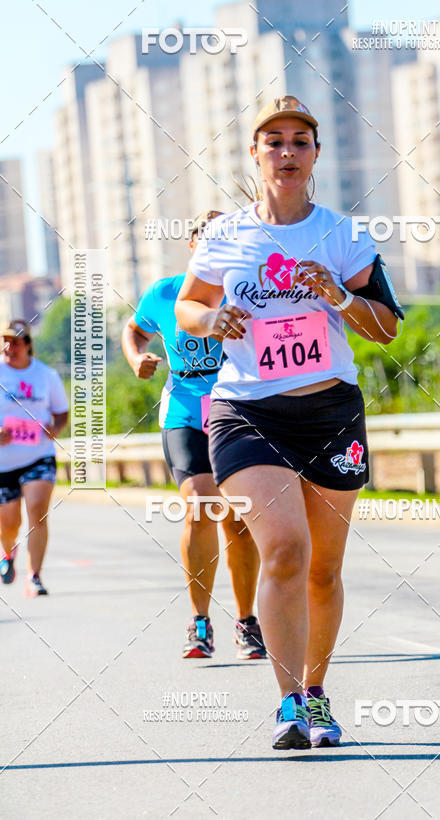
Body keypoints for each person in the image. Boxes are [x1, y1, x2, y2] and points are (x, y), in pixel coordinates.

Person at [175, 96, 403, 749]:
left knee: (323, 570)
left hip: (330, 411)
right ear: (256, 153)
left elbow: (385, 327)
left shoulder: (342, 235)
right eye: (273, 140)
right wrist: (210, 320)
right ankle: (289, 704)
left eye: (299, 140)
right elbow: (190, 305)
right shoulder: (226, 236)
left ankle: (318, 692)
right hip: (248, 410)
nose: (286, 151)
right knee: (284, 547)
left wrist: (337, 295)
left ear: (315, 155)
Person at [121, 214, 266, 660]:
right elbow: (134, 330)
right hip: (185, 404)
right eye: (207, 240)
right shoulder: (166, 292)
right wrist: (136, 357)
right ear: (192, 246)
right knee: (200, 506)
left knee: (238, 520)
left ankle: (246, 621)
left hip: (239, 404)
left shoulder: (252, 289)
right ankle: (200, 621)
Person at [0, 319, 69, 596]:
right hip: (3, 462)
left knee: (37, 510)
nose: (8, 346)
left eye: (15, 341)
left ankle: (35, 576)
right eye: (4, 340)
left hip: (38, 455)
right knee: (8, 522)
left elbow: (61, 412)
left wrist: (56, 428)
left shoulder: (46, 375)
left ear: (28, 346)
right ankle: (8, 552)